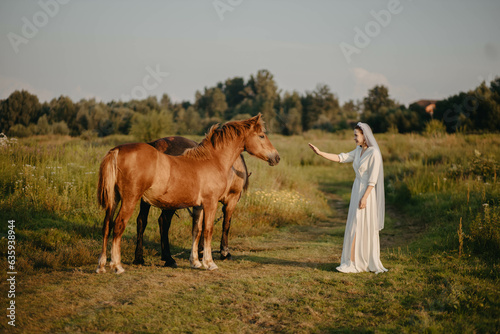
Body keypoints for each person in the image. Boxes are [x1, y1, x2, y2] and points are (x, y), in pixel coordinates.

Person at [308, 122, 388, 274]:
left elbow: (373, 179)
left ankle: (357, 261)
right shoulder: (358, 151)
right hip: (356, 189)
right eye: (354, 135)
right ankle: (351, 260)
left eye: (356, 135)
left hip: (366, 194)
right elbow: (341, 158)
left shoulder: (374, 153)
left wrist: (364, 198)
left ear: (365, 136)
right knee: (353, 225)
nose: (354, 138)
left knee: (359, 225)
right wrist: (320, 153)